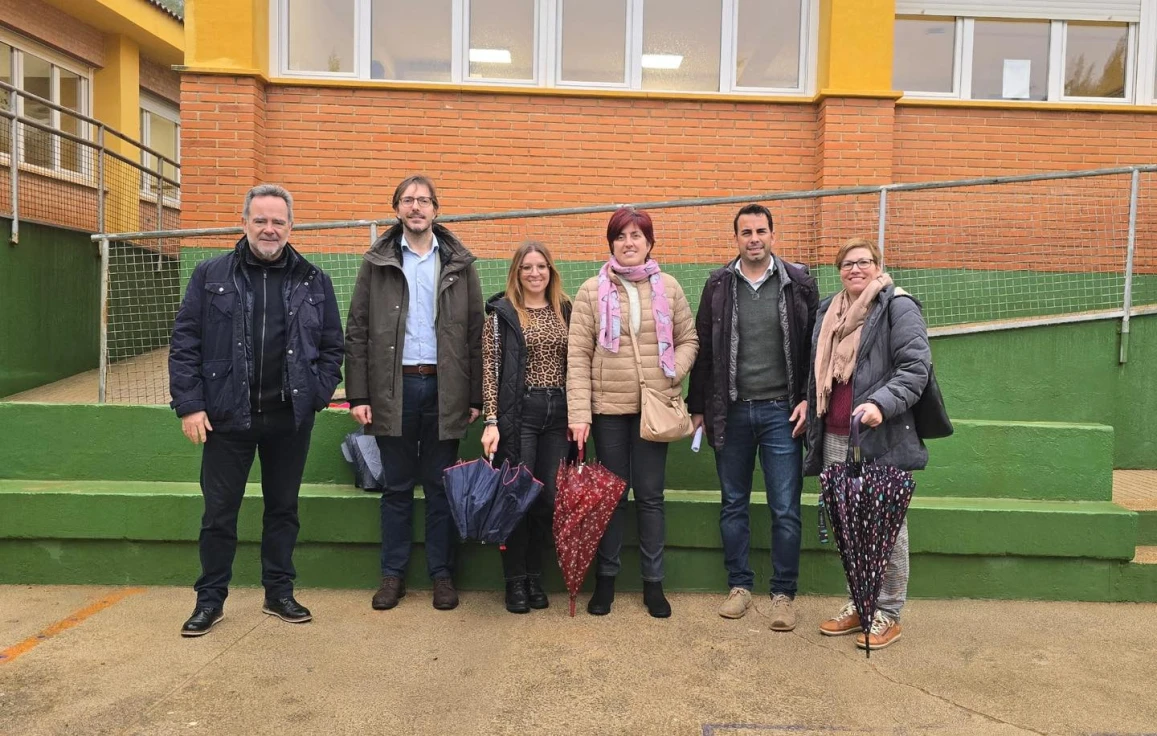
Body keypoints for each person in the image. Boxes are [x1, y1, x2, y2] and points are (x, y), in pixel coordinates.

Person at [169, 184, 344, 637]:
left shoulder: (313, 279)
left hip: (289, 419)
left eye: (278, 221)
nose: (269, 229)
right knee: (219, 514)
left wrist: (318, 393)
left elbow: (332, 346)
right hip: (228, 418)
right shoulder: (210, 275)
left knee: (283, 509)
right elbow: (186, 342)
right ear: (244, 222)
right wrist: (190, 405)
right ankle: (210, 600)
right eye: (260, 220)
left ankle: (278, 593)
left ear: (291, 226)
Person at [344, 174, 483, 612]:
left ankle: (443, 577)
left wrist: (476, 395)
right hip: (393, 388)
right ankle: (393, 576)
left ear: (436, 210)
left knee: (441, 487)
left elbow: (476, 335)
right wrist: (359, 395)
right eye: (408, 200)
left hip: (445, 389)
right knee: (397, 488)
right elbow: (359, 331)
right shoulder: (377, 261)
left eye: (424, 200)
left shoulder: (459, 263)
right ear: (397, 209)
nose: (416, 207)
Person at [687, 203, 818, 630]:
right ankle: (740, 586)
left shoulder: (798, 283)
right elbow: (705, 348)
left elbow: (815, 349)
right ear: (736, 238)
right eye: (746, 232)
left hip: (784, 412)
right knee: (733, 503)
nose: (754, 238)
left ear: (773, 236)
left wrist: (807, 398)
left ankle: (783, 594)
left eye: (761, 231)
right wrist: (699, 408)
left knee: (785, 508)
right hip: (733, 412)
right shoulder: (718, 284)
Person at [567, 207, 698, 618]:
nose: (629, 243)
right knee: (611, 498)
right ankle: (605, 582)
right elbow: (578, 356)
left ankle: (653, 585)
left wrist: (672, 370)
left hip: (653, 411)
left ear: (649, 243)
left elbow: (688, 338)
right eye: (621, 236)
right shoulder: (592, 290)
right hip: (608, 410)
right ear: (611, 244)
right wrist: (579, 414)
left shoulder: (670, 287)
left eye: (636, 236)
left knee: (651, 497)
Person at [804, 236, 931, 650]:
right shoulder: (829, 309)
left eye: (864, 262)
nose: (855, 269)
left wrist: (880, 403)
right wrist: (809, 405)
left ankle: (888, 613)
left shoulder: (898, 306)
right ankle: (860, 602)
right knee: (849, 524)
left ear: (878, 266)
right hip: (837, 436)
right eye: (847, 264)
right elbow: (819, 370)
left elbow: (916, 370)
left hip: (881, 436)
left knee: (887, 529)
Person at [480, 241, 572, 614]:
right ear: (516, 273)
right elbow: (489, 370)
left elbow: (578, 362)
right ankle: (514, 581)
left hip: (560, 413)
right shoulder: (502, 315)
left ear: (551, 270)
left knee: (548, 499)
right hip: (520, 413)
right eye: (527, 267)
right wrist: (491, 420)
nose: (535, 273)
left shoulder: (566, 309)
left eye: (542, 266)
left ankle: (535, 576)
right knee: (518, 496)